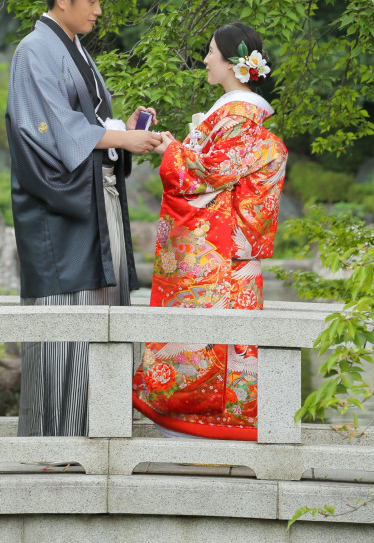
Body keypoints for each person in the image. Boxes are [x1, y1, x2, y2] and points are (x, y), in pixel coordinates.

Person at [6, 0, 161, 436]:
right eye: (92, 1)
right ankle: (55, 443)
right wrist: (122, 138)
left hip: (96, 199)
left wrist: (124, 130)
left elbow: (86, 125)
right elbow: (57, 130)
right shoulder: (35, 49)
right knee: (66, 324)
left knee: (103, 313)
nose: (98, 11)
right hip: (62, 208)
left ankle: (101, 432)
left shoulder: (73, 47)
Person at [132, 23, 287, 440]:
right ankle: (212, 430)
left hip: (222, 260)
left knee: (219, 349)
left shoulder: (239, 118)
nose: (204, 59)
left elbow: (207, 174)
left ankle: (213, 429)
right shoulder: (233, 116)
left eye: (211, 52)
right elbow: (210, 168)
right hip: (228, 257)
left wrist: (173, 151)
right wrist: (178, 148)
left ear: (234, 64)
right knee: (221, 347)